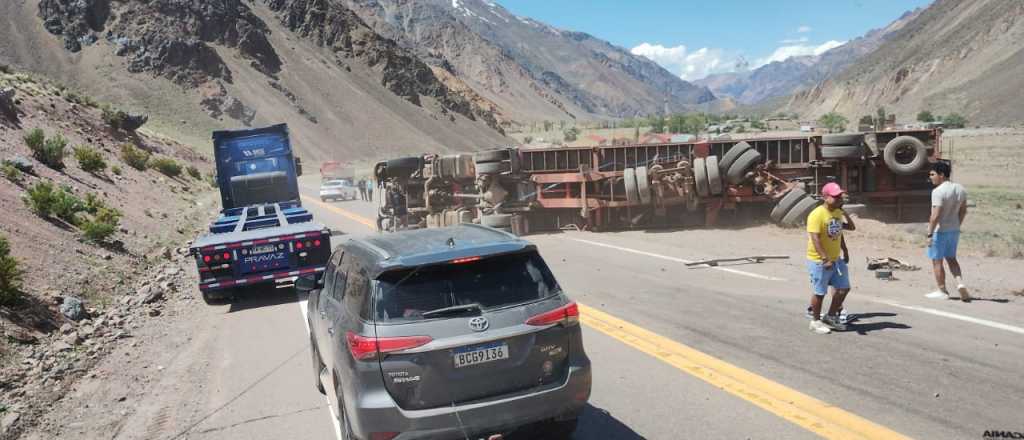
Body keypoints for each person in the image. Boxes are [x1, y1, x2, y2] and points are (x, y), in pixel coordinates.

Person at [805, 182, 856, 334]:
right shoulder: (817, 214)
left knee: (844, 288)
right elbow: (815, 238)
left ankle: (831, 316)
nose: (839, 198)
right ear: (825, 197)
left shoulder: (837, 213)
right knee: (820, 293)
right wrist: (824, 258)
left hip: (836, 259)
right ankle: (815, 321)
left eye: (840, 195)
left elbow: (844, 230)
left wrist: (845, 251)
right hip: (819, 260)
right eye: (835, 196)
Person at [924, 161, 970, 301]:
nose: (930, 177)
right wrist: (957, 225)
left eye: (932, 174)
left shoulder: (938, 191)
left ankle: (942, 290)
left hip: (940, 231)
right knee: (951, 259)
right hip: (954, 230)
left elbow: (935, 215)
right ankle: (960, 283)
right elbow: (963, 211)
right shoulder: (960, 189)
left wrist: (929, 233)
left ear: (941, 174)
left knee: (937, 261)